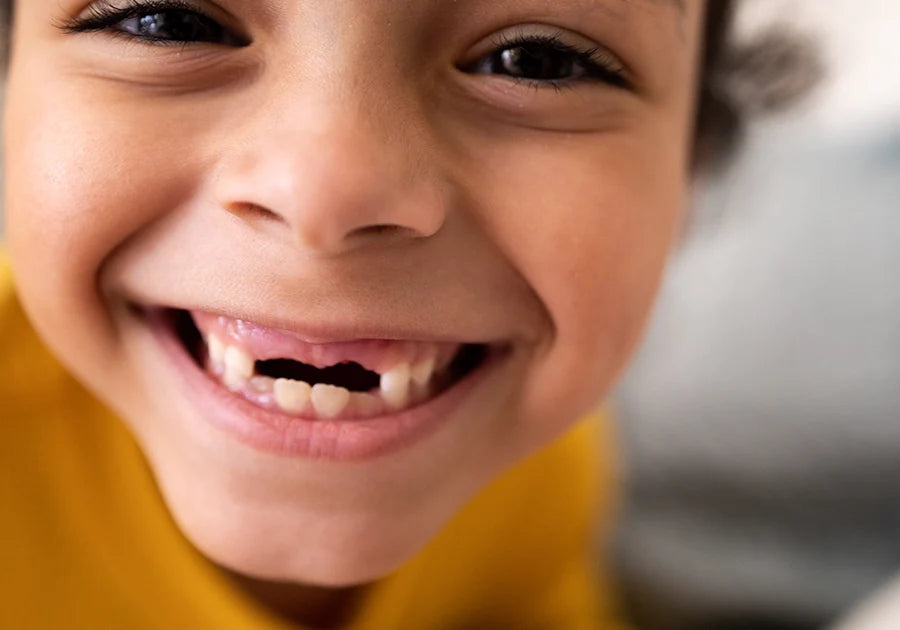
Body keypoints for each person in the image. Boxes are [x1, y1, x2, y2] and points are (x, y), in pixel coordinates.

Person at [0, 1, 741, 628]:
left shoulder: (537, 460)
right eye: (168, 23)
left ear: (691, 174)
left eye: (535, 62)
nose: (327, 192)